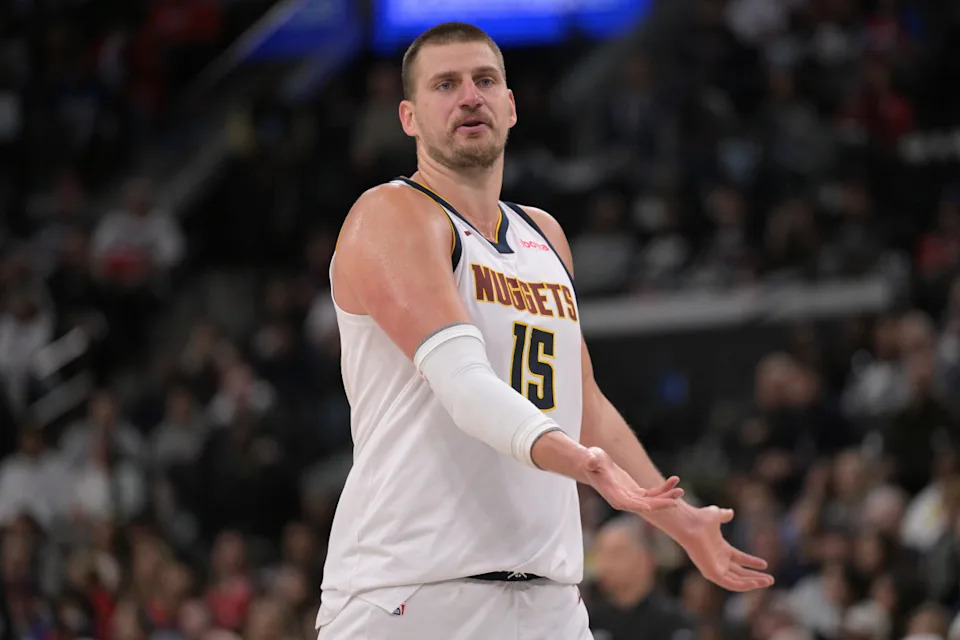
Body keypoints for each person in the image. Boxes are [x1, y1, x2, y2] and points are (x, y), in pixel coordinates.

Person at [316, 22, 774, 640]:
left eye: (485, 80)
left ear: (510, 104)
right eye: (445, 85)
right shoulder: (391, 215)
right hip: (413, 592)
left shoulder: (544, 235)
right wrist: (586, 467)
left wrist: (678, 519)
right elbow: (465, 385)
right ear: (409, 117)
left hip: (548, 601)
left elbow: (583, 407)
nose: (469, 96)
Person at [589, 516, 697, 640]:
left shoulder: (674, 621)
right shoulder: (589, 620)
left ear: (646, 559)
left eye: (617, 553)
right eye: (600, 553)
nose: (605, 564)